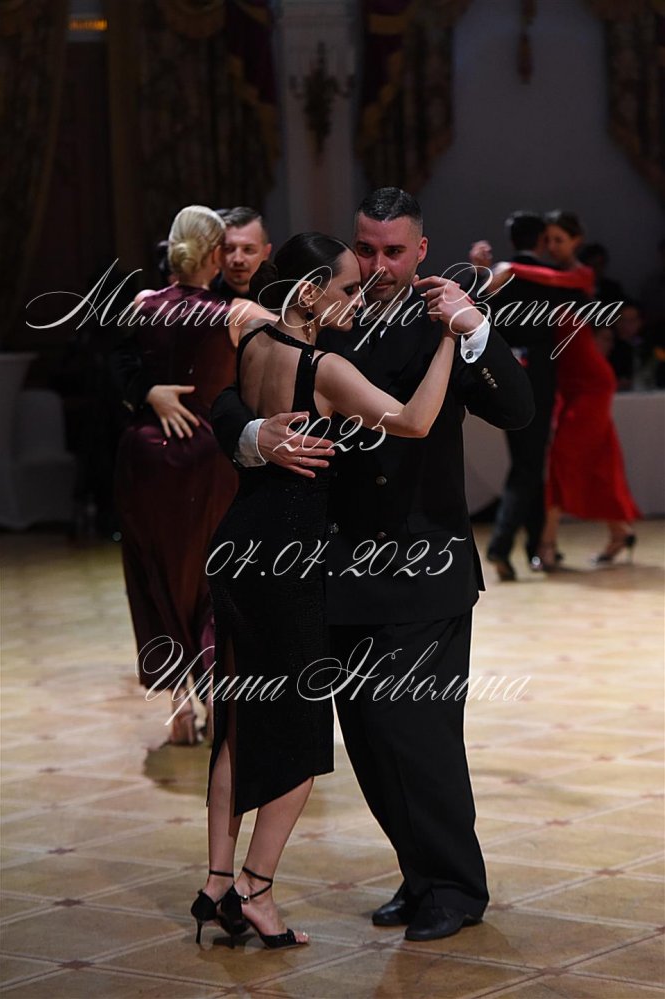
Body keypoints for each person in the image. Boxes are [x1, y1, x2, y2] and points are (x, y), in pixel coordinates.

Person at [211, 188, 534, 942]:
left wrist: (474, 327)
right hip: (330, 565)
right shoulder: (332, 308)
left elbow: (517, 409)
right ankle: (419, 877)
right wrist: (256, 434)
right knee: (367, 736)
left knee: (417, 733)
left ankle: (454, 886)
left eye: (394, 251)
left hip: (421, 566)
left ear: (421, 251)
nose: (378, 264)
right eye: (366, 248)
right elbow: (231, 395)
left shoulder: (440, 319)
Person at [192, 230, 463, 949]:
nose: (356, 299)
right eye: (345, 287)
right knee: (301, 735)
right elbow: (415, 420)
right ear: (310, 293)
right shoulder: (325, 367)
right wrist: (449, 338)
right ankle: (256, 889)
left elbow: (226, 398)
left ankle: (216, 882)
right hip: (286, 562)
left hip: (237, 546)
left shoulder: (255, 344)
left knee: (240, 720)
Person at [113, 206, 269, 744]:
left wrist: (145, 393)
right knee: (211, 576)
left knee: (155, 574)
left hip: (143, 457)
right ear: (214, 254)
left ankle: (180, 703)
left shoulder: (141, 303)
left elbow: (116, 363)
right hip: (206, 456)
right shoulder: (238, 312)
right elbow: (300, 337)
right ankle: (216, 693)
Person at [501, 211, 640, 567]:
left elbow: (546, 275)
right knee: (598, 462)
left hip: (591, 382)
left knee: (562, 460)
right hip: (570, 384)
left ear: (576, 241)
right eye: (548, 239)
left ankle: (546, 546)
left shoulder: (579, 275)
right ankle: (620, 533)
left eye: (559, 240)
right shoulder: (550, 278)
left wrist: (509, 268)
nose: (552, 246)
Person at [469, 212, 577, 581]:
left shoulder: (499, 276)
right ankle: (500, 546)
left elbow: (476, 311)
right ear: (542, 240)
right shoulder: (547, 277)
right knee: (528, 466)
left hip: (505, 379)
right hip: (539, 381)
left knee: (530, 463)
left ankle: (535, 546)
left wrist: (479, 273)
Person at [210, 205, 272, 298]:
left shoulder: (284, 298)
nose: (238, 259)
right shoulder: (201, 299)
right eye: (228, 249)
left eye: (248, 250)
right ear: (217, 253)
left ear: (266, 253)